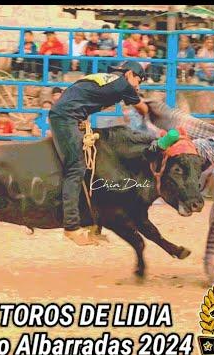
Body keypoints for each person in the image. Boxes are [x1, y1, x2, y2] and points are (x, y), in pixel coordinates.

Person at [48, 61, 149, 246]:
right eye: (139, 80)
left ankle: (92, 219)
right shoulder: (123, 84)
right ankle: (71, 226)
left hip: (69, 115)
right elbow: (143, 108)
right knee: (76, 167)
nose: (138, 86)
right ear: (129, 74)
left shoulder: (107, 79)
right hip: (67, 117)